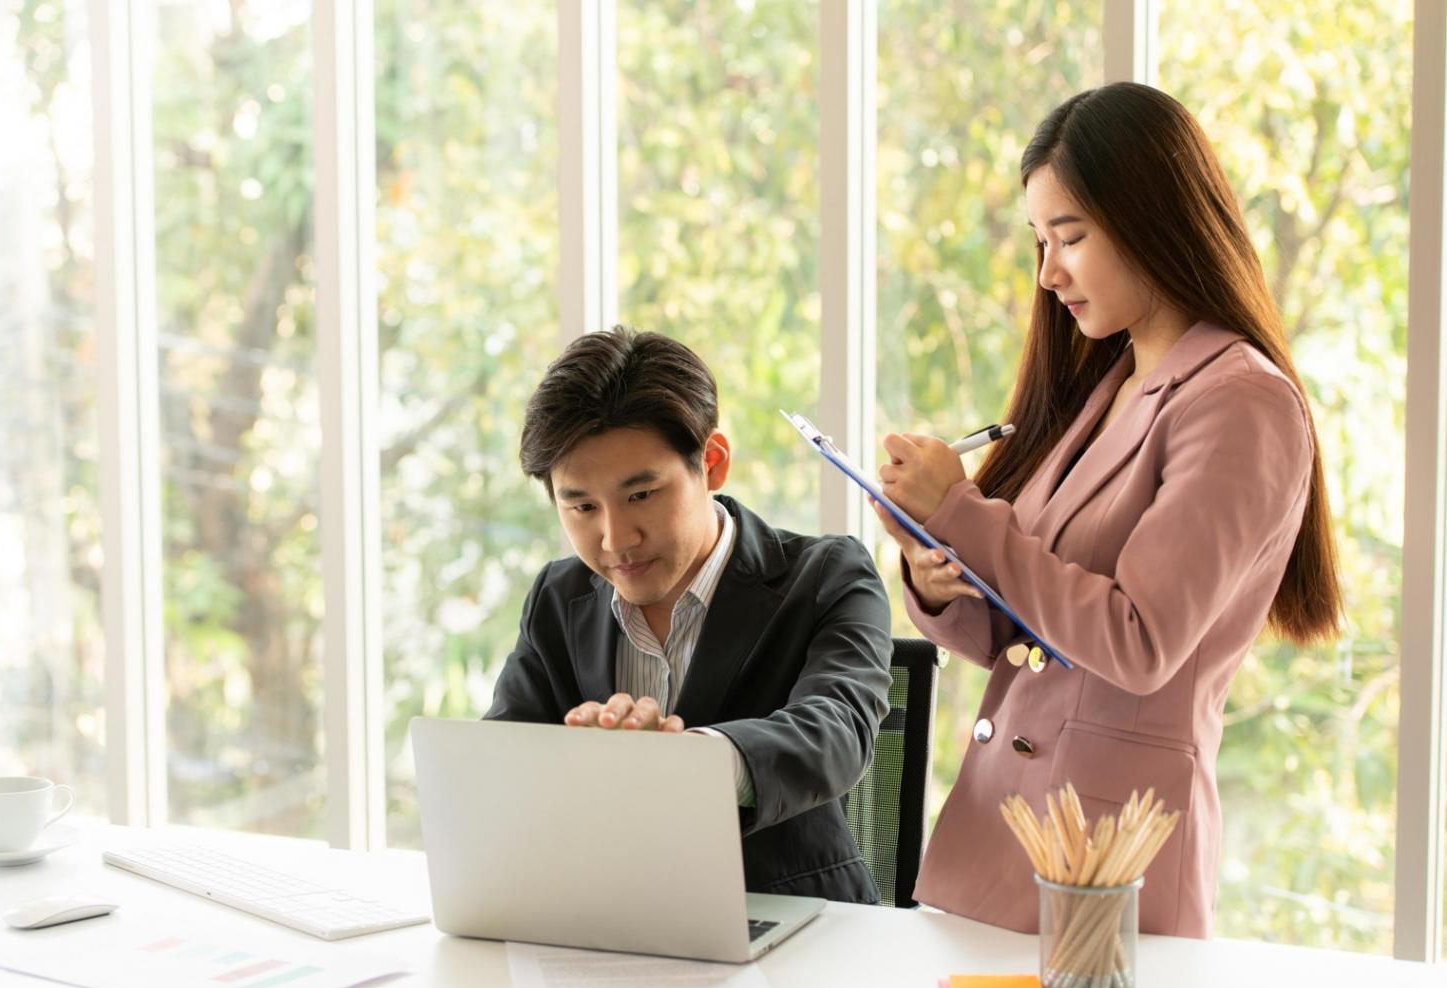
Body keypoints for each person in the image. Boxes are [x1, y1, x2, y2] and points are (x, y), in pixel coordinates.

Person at [874, 82, 1342, 938]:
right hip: (999, 843)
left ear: (1151, 220)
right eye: (1038, 243)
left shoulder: (1240, 402)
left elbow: (1136, 641)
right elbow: (1023, 641)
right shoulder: (1108, 386)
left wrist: (966, 513)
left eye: (1070, 238)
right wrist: (935, 571)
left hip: (1106, 867)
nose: (1047, 274)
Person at [486, 326, 894, 903]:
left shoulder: (828, 575)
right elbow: (500, 760)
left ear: (713, 462)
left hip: (789, 923)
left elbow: (837, 731)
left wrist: (693, 764)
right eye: (580, 506)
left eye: (641, 495)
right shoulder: (559, 595)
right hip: (604, 919)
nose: (615, 539)